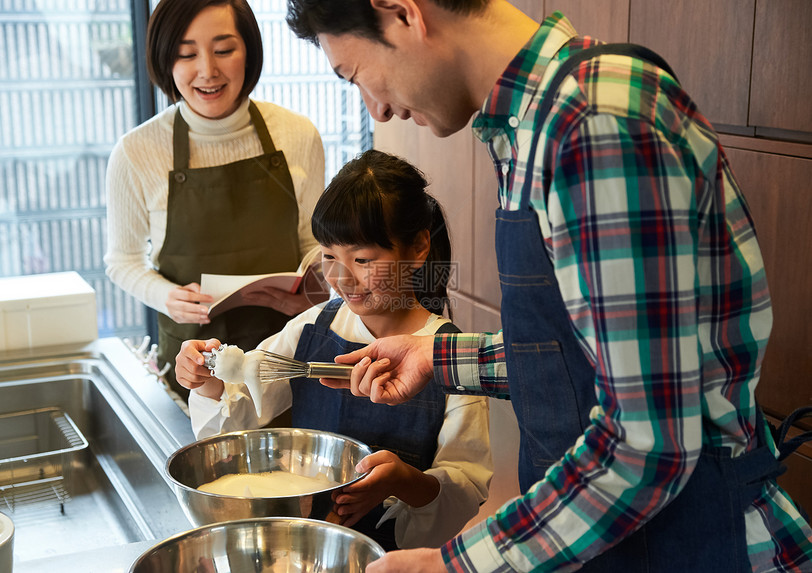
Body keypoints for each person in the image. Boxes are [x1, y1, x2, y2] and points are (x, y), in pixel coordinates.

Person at [284, 1, 812, 571]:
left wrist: (452, 565)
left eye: (357, 76)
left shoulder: (594, 123)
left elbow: (645, 447)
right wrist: (438, 356)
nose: (377, 109)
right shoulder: (532, 128)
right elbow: (590, 356)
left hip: (695, 544)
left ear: (403, 12)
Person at [175, 149, 493, 552]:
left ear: (417, 248)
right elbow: (232, 426)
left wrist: (404, 481)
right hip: (303, 551)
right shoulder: (312, 329)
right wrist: (208, 380)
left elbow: (463, 494)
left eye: (361, 259)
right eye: (328, 256)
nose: (342, 278)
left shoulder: (450, 359)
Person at [104, 0, 324, 402]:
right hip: (195, 370)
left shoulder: (297, 134)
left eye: (224, 50)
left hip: (286, 360)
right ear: (165, 59)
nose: (207, 70)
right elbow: (122, 262)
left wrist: (314, 287)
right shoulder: (137, 151)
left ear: (250, 51)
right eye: (187, 54)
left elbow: (314, 243)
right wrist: (166, 297)